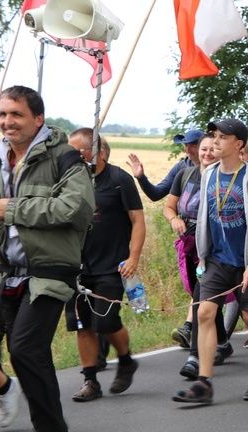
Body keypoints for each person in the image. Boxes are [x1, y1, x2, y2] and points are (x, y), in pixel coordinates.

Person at [0, 85, 95, 432]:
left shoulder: (63, 156)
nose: (6, 122)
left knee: (24, 348)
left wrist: (15, 209)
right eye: (2, 114)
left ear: (38, 118)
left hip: (50, 270)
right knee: (26, 354)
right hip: (8, 270)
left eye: (15, 114)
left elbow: (78, 207)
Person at [173, 118, 248, 404]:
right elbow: (205, 217)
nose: (215, 141)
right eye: (213, 136)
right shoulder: (210, 173)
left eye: (221, 137)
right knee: (204, 313)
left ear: (238, 144)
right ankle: (204, 382)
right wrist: (203, 255)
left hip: (245, 261)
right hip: (217, 259)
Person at [65, 129, 144, 403]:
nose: (71, 157)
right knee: (83, 326)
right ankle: (90, 381)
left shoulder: (119, 180)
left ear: (96, 151)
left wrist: (133, 258)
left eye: (76, 152)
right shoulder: (69, 181)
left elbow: (137, 221)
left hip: (113, 266)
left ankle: (126, 360)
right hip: (76, 268)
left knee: (106, 322)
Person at [164, 134, 232, 380]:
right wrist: (174, 220)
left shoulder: (224, 179)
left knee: (200, 298)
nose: (207, 153)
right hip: (189, 245)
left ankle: (194, 357)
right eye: (204, 149)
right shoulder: (185, 175)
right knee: (205, 297)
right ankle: (222, 342)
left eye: (212, 149)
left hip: (215, 250)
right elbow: (168, 206)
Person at [127, 129, 202, 202]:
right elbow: (156, 194)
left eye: (192, 146)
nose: (187, 150)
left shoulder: (212, 169)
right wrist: (141, 177)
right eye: (185, 145)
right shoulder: (180, 168)